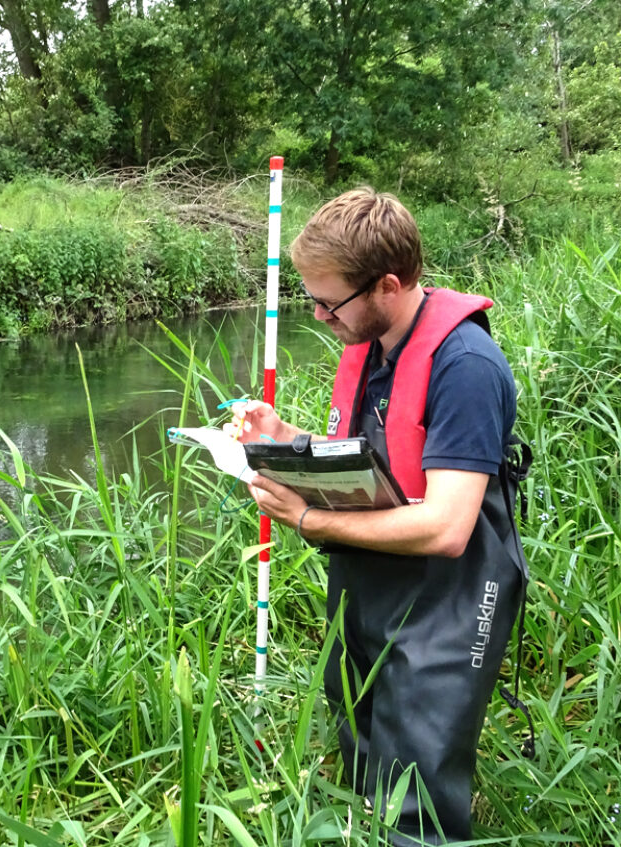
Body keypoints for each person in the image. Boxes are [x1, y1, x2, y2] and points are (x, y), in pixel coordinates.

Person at [229, 187, 527, 845]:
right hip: (370, 584)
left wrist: (307, 520)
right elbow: (378, 458)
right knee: (364, 743)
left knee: (420, 777)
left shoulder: (467, 367)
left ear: (388, 285)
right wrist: (287, 436)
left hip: (448, 594)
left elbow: (448, 525)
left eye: (327, 301)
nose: (317, 314)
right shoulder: (373, 342)